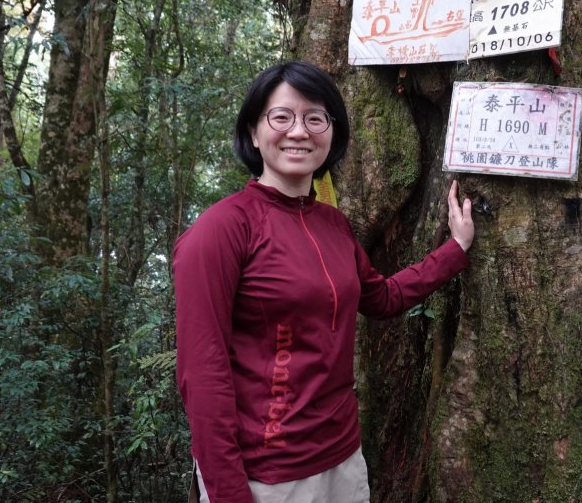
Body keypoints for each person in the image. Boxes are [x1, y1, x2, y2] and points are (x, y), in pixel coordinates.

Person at [174, 60, 474, 503]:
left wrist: (456, 249)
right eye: (281, 116)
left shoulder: (332, 224)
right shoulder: (221, 229)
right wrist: (228, 493)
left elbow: (382, 297)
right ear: (254, 132)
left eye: (315, 118)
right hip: (270, 477)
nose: (299, 131)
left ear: (332, 133)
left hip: (343, 459)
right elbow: (202, 374)